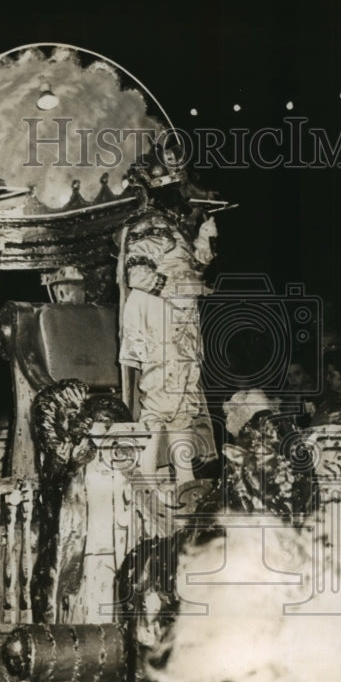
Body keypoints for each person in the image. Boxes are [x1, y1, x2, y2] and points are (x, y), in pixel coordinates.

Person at [117, 207, 218, 483]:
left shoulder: (175, 226)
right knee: (161, 397)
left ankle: (185, 484)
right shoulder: (150, 223)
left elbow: (191, 271)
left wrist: (204, 239)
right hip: (161, 318)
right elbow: (137, 276)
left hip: (181, 322)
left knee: (182, 402)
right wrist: (178, 292)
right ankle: (145, 482)